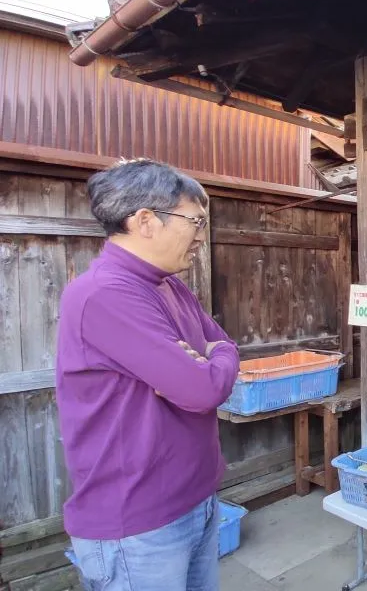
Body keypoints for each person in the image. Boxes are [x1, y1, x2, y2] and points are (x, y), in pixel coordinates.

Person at [55, 159, 241, 591]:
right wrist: (204, 362)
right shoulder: (104, 294)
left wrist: (213, 355)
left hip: (195, 497)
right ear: (144, 222)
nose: (200, 234)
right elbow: (203, 388)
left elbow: (223, 346)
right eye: (194, 220)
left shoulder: (168, 284)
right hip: (137, 523)